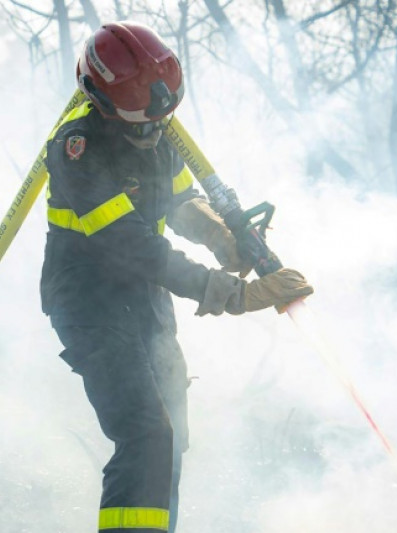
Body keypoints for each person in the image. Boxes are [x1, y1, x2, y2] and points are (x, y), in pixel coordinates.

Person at [41, 21, 314, 533]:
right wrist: (235, 294)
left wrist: (220, 235)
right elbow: (132, 247)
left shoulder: (157, 126)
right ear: (101, 102)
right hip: (89, 303)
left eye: (161, 121)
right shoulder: (77, 149)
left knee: (172, 433)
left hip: (144, 301)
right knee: (146, 434)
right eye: (142, 123)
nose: (154, 133)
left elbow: (182, 198)